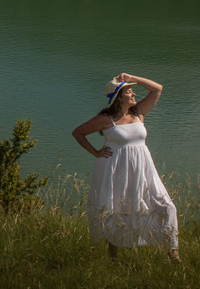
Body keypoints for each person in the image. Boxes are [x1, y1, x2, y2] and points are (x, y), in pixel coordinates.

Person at [71, 73, 180, 262]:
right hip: (114, 169)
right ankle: (112, 254)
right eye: (129, 91)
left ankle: (173, 252)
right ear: (119, 97)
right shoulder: (106, 119)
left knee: (167, 207)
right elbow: (78, 132)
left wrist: (133, 78)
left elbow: (157, 89)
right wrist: (96, 152)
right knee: (113, 209)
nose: (133, 93)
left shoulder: (138, 113)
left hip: (143, 169)